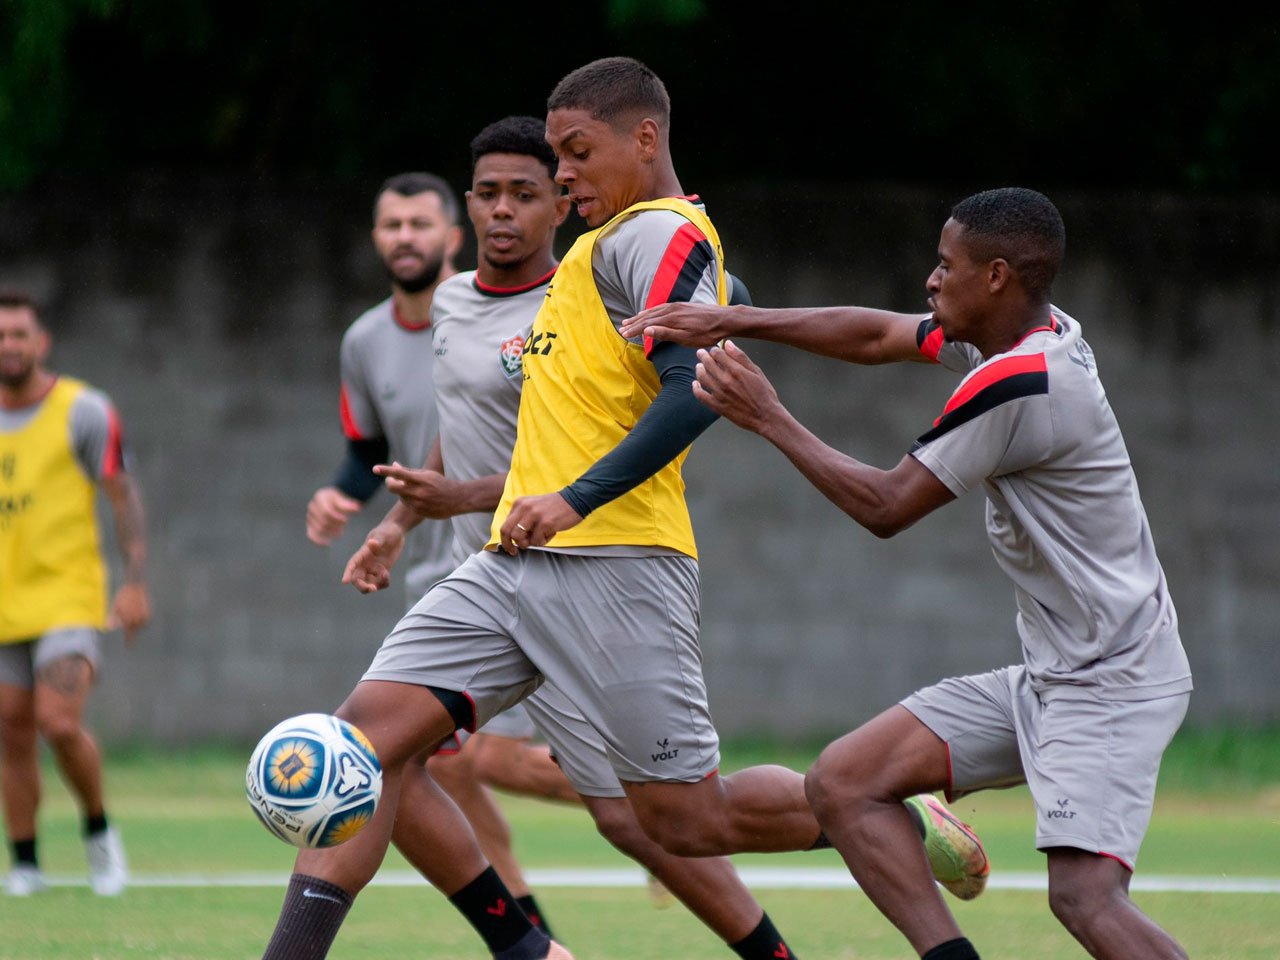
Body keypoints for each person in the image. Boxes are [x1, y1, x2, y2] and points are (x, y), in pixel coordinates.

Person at [259, 58, 981, 960]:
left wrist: (574, 496)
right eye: (552, 158)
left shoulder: (661, 232)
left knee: (682, 821)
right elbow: (737, 315)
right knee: (361, 750)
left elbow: (692, 390)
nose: (561, 174)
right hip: (505, 567)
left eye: (574, 153)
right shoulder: (600, 254)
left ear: (645, 139)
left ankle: (870, 809)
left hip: (620, 569)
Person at [621, 186, 1193, 960]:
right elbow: (874, 334)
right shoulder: (1024, 335)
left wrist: (767, 415)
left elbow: (886, 506)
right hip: (1057, 674)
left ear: (995, 276)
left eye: (945, 264)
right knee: (845, 781)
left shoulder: (1019, 381)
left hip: (1112, 684)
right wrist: (732, 318)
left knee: (1084, 899)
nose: (930, 279)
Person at [346, 113, 808, 959]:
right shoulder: (453, 304)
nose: (506, 209)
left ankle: (845, 814)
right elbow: (464, 426)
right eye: (488, 193)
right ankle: (529, 946)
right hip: (488, 569)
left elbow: (592, 431)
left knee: (650, 819)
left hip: (582, 564)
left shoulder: (603, 279)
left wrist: (533, 498)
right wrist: (403, 518)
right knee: (382, 753)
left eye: (531, 188)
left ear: (560, 204)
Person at [304, 171, 565, 933]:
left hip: (525, 556)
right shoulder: (364, 340)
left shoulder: (512, 316)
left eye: (421, 224)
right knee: (431, 765)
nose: (405, 238)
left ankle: (668, 816)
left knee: (459, 761)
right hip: (434, 563)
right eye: (391, 225)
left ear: (453, 237)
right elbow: (371, 451)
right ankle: (530, 938)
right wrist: (349, 499)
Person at [0, 289, 150, 897]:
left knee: (58, 722)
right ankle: (27, 862)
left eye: (18, 335)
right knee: (9, 730)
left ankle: (99, 833)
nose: (8, 346)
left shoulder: (84, 410)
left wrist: (135, 583)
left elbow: (123, 496)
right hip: (4, 602)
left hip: (67, 596)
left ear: (42, 343)